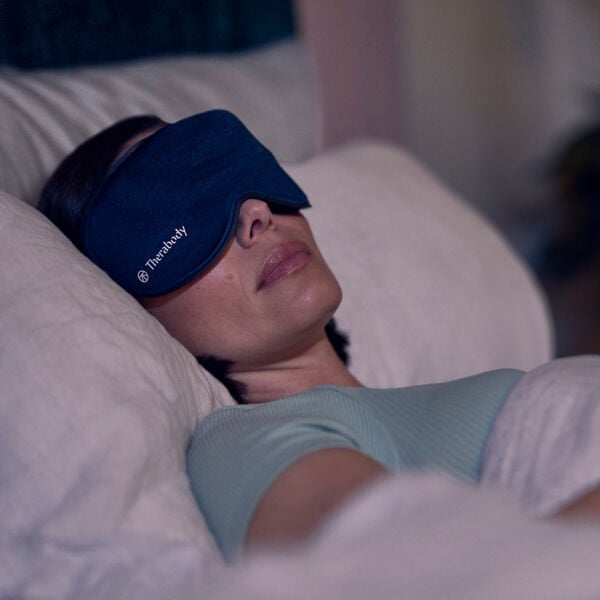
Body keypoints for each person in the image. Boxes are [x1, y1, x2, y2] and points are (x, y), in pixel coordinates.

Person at [39, 110, 600, 562]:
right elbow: (447, 576)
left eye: (242, 177)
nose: (256, 212)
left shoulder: (404, 403)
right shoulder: (241, 444)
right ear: (134, 308)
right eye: (177, 221)